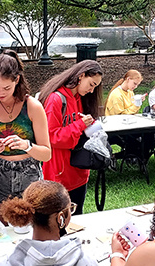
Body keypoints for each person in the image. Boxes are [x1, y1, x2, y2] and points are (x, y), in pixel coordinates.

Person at [0, 50, 51, 224]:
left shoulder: (32, 106)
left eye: (7, 88)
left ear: (17, 80)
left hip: (29, 175)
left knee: (32, 230)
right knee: (2, 232)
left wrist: (27, 146)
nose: (0, 93)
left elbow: (47, 154)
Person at [38, 60, 103, 215]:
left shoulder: (79, 98)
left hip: (79, 171)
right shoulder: (56, 99)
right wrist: (80, 125)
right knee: (59, 222)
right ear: (81, 76)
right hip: (59, 175)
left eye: (95, 86)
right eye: (92, 84)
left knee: (77, 218)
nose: (92, 91)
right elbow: (51, 137)